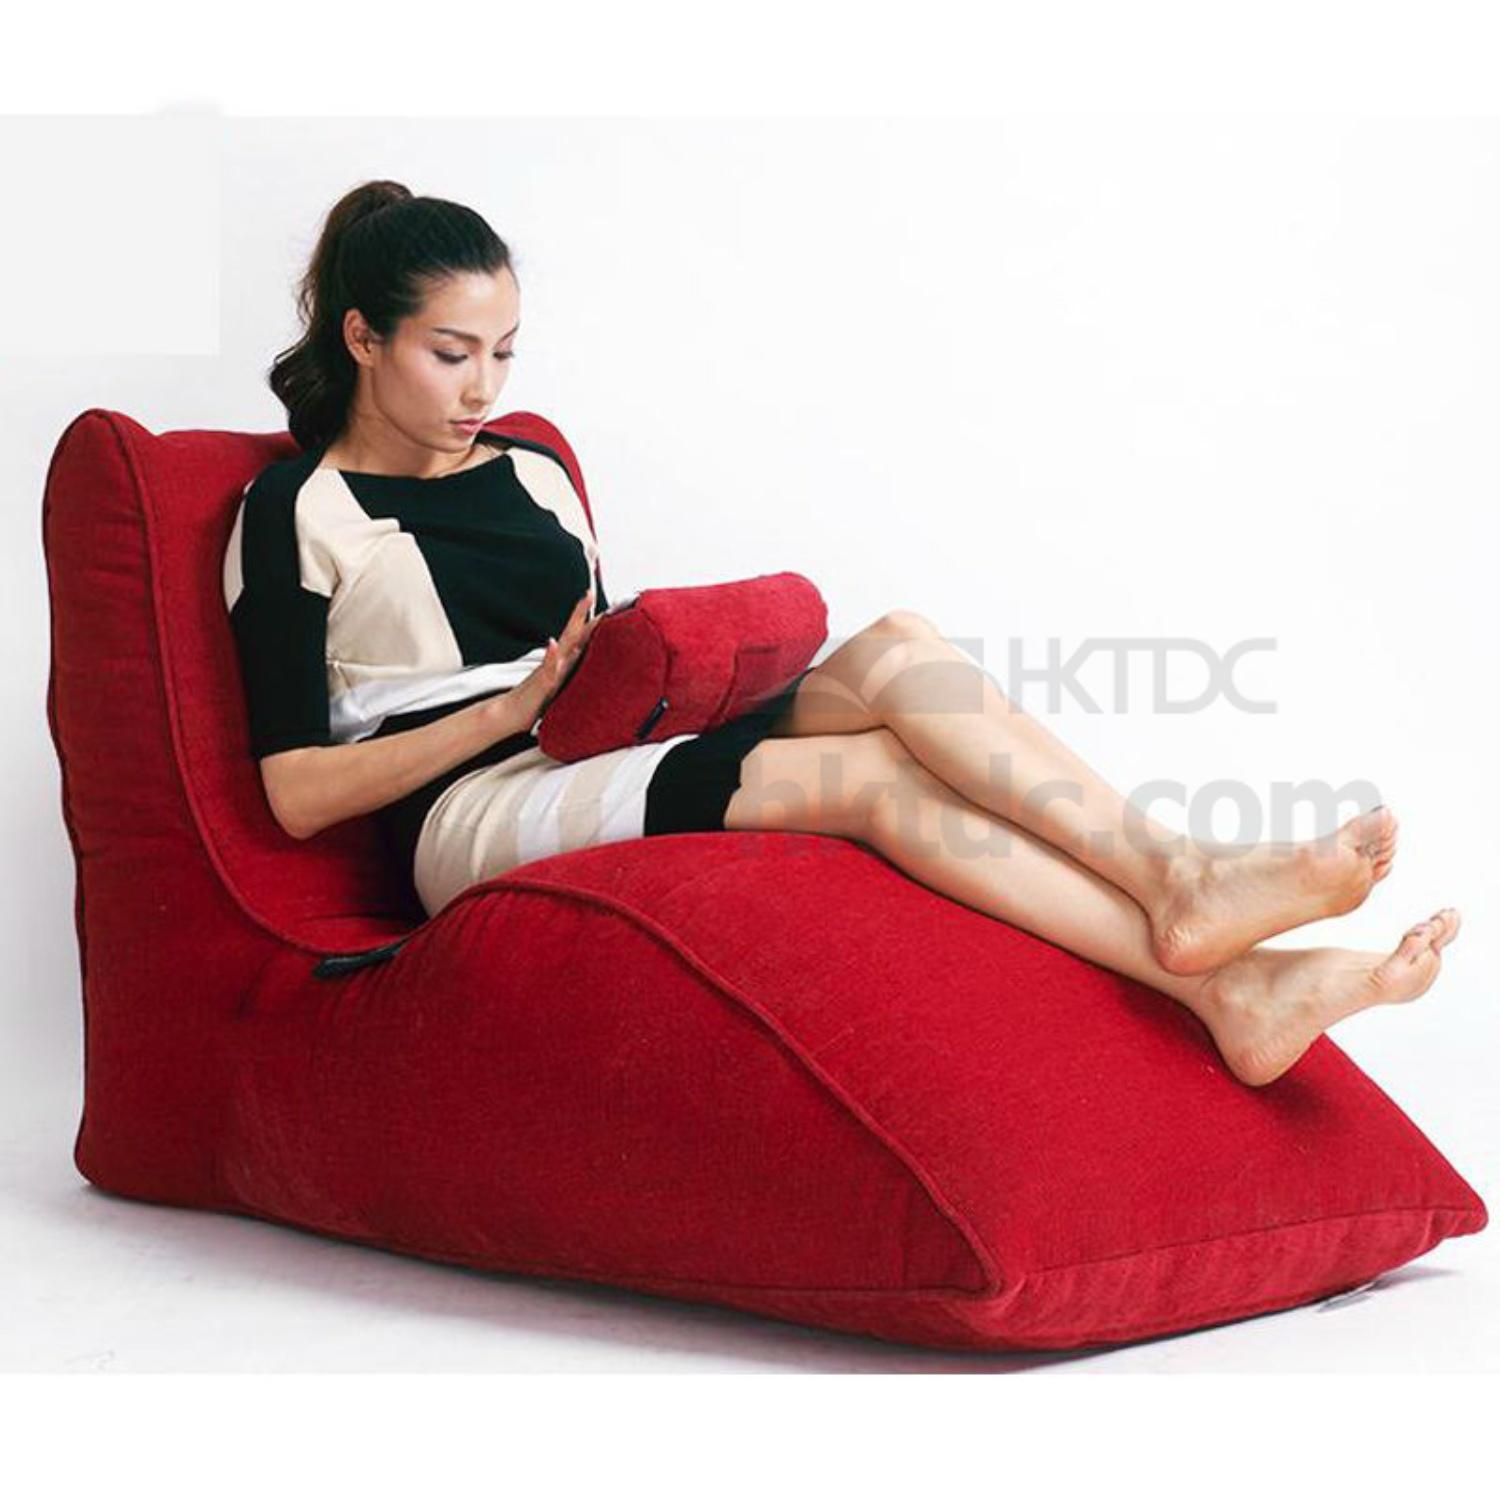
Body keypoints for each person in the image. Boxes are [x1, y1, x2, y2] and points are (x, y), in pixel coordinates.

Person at [224, 178, 1459, 1090]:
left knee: (900, 650)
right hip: (467, 812)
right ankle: (1220, 982)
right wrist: (505, 712)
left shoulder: (534, 469)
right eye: (451, 354)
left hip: (589, 743)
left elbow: (598, 661)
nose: (485, 387)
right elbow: (294, 792)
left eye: (503, 352)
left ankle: (1182, 883)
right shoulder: (293, 513)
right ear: (363, 338)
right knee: (871, 779)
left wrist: (679, 662)